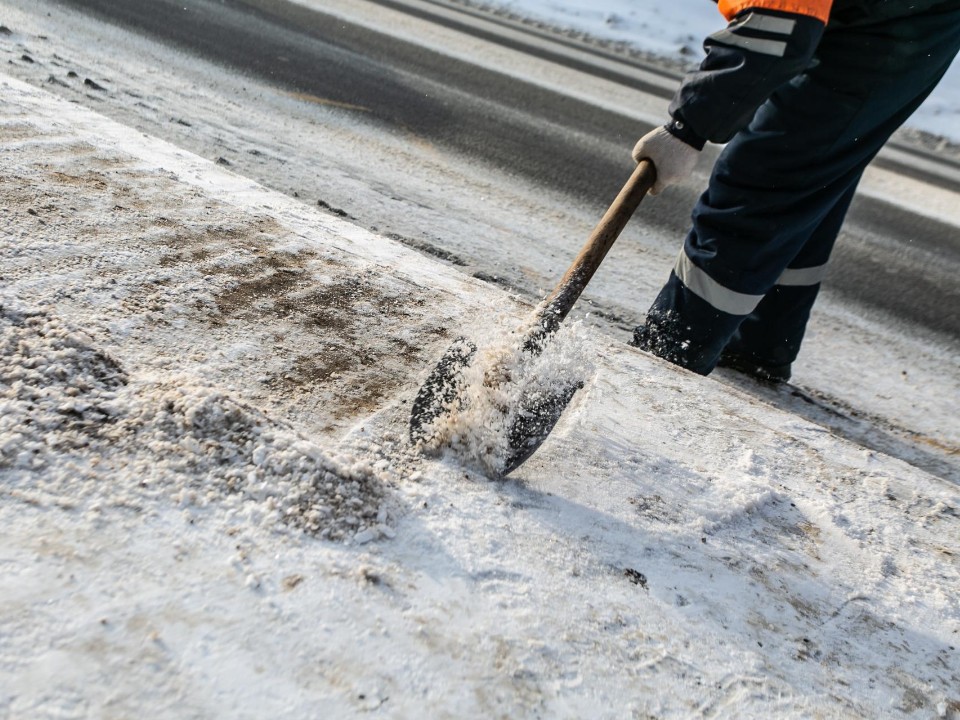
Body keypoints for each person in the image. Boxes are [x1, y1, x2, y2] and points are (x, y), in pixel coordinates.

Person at [630, 0, 960, 382]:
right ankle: (756, 345)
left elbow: (778, 27)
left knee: (763, 178)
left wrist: (687, 128)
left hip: (896, 25)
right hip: (895, 15)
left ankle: (663, 362)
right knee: (812, 172)